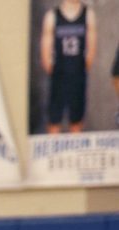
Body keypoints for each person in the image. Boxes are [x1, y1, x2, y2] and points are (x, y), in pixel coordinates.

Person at [40, 0, 97, 134]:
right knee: (54, 121)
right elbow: (45, 54)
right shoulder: (52, 16)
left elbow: (91, 51)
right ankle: (53, 154)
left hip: (78, 76)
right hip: (59, 75)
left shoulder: (88, 14)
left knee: (76, 121)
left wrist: (78, 70)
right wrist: (57, 72)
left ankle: (74, 153)